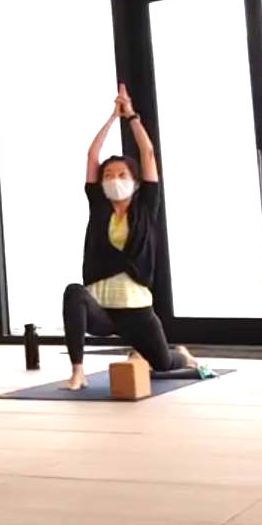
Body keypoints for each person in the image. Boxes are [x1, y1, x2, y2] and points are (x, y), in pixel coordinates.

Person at [62, 84, 197, 390]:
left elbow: (147, 153)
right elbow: (92, 155)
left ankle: (182, 355)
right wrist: (112, 117)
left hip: (137, 310)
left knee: (163, 364)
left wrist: (131, 116)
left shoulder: (146, 207)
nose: (114, 180)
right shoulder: (99, 208)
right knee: (73, 293)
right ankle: (78, 372)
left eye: (122, 175)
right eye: (108, 175)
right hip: (103, 310)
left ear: (135, 183)